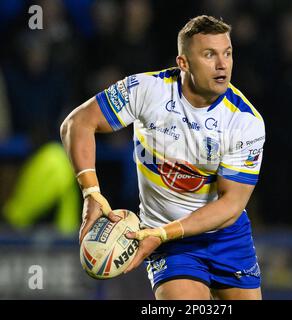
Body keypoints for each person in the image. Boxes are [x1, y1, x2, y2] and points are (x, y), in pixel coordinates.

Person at [60, 15, 265, 300]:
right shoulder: (146, 91)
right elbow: (78, 123)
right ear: (183, 63)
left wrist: (164, 233)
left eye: (227, 53)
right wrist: (91, 192)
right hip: (169, 243)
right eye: (209, 55)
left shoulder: (244, 121)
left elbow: (231, 204)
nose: (222, 64)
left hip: (225, 238)